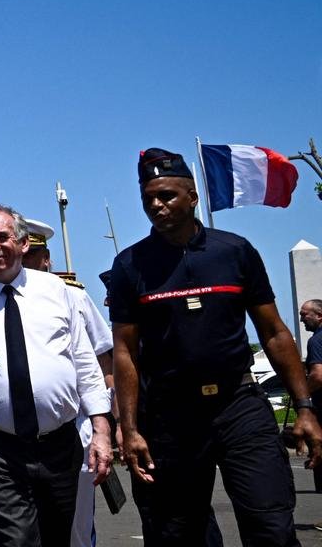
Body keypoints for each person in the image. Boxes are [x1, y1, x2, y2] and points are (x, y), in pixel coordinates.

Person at [108, 148, 322, 546]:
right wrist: (130, 428)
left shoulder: (235, 251)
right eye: (148, 198)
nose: (157, 205)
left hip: (239, 406)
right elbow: (125, 353)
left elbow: (275, 332)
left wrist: (305, 408)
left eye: (167, 195)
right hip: (171, 417)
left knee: (271, 527)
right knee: (178, 532)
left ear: (192, 197)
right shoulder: (130, 266)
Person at [0, 204, 112, 547]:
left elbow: (86, 366)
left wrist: (102, 430)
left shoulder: (59, 293)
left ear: (24, 243)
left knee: (58, 537)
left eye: (2, 236)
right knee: (18, 540)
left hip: (59, 443)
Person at [21, 219, 114, 547]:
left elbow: (104, 360)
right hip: (18, 435)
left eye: (31, 255)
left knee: (74, 526)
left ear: (46, 259)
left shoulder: (73, 298)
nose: (24, 262)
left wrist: (109, 425)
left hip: (75, 427)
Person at [304, 298, 322, 492]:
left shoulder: (316, 340)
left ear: (319, 315)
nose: (302, 319)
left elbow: (317, 376)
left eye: (304, 315)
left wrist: (301, 394)